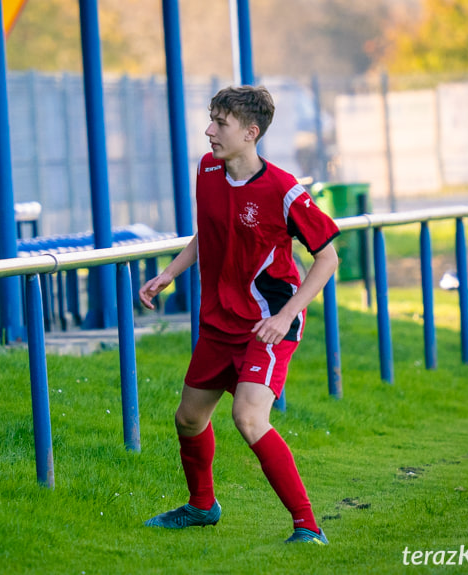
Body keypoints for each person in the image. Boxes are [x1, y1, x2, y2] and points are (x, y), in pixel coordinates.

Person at [139, 85, 339, 545]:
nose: (209, 132)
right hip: (219, 320)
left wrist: (286, 315)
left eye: (220, 123)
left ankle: (308, 526)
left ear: (250, 133)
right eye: (211, 120)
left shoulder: (284, 189)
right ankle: (202, 507)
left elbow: (327, 258)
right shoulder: (208, 169)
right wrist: (169, 273)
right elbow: (206, 232)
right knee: (188, 419)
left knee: (248, 418)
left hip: (268, 321)